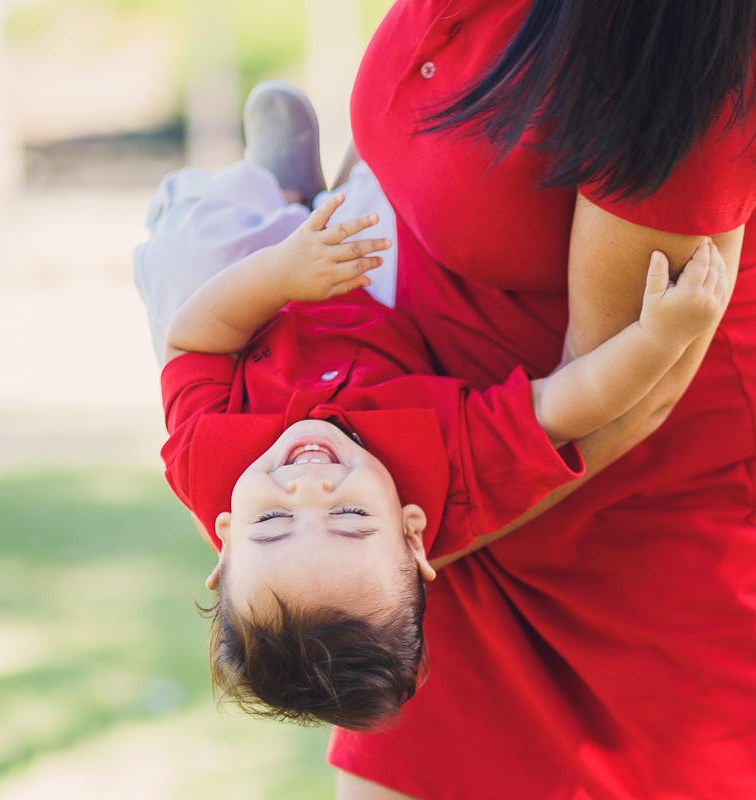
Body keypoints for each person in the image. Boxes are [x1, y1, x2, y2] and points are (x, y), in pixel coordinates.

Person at [137, 82, 731, 734]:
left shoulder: (205, 464)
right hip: (369, 297)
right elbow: (568, 405)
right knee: (387, 216)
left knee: (178, 250)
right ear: (413, 532)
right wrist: (659, 337)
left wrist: (281, 274)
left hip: (260, 299)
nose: (309, 483)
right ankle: (307, 201)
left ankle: (274, 187)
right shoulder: (453, 473)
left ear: (222, 540)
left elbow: (192, 338)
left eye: (272, 519)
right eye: (351, 515)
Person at [327, 0, 756, 797]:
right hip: (442, 485)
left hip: (618, 526)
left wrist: (370, 548)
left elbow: (633, 389)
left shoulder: (669, 31)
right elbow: (393, 149)